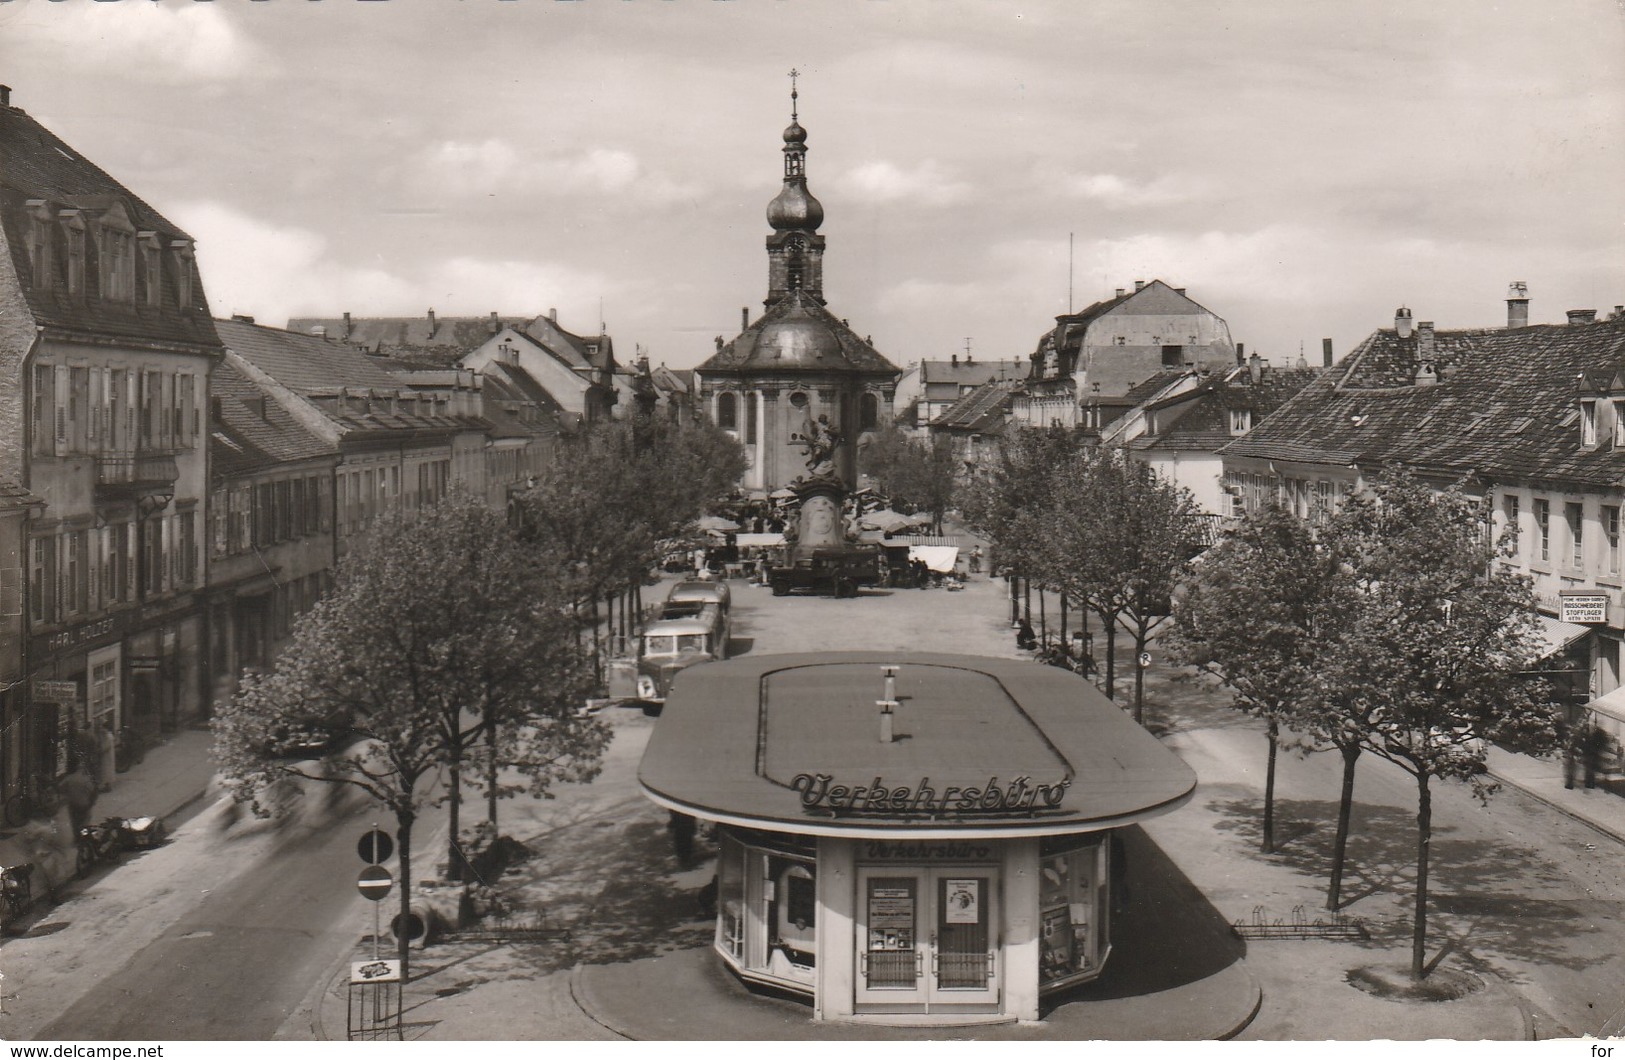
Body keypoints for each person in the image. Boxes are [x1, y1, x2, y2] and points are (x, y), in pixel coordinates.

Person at [60, 765, 98, 835]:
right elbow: (93, 791)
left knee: (75, 823)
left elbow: (60, 788)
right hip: (84, 805)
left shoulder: (68, 778)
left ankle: (77, 837)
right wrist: (91, 803)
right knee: (85, 823)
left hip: (73, 805)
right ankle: (84, 837)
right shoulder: (85, 779)